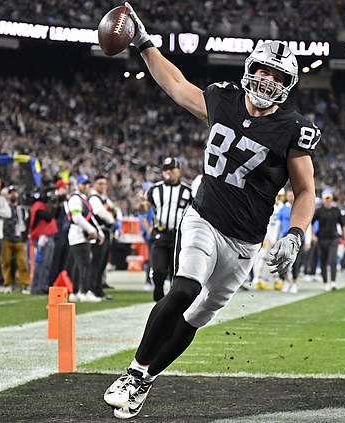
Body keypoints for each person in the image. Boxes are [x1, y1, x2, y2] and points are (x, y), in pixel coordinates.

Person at [103, 4, 319, 419]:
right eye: (263, 70)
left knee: (198, 315)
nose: (267, 80)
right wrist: (146, 44)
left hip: (244, 242)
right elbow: (176, 84)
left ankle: (145, 381)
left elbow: (305, 190)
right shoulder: (223, 100)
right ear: (250, 69)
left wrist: (294, 234)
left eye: (277, 76)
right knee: (184, 288)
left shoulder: (293, 129)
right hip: (204, 217)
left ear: (287, 84)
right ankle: (133, 371)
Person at [139, 157, 193, 301]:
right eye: (165, 170)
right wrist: (142, 208)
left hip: (178, 236)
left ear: (179, 171)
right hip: (160, 234)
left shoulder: (188, 191)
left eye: (171, 169)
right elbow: (144, 210)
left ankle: (171, 301)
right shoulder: (154, 189)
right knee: (158, 271)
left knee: (175, 272)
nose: (168, 172)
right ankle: (158, 295)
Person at [66, 174, 104, 303]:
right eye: (83, 184)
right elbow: (77, 217)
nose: (86, 186)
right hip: (78, 234)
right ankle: (83, 291)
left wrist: (98, 231)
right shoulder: (75, 199)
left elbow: (90, 217)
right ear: (77, 185)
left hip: (82, 234)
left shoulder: (83, 199)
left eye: (87, 184)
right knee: (84, 264)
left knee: (79, 265)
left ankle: (75, 292)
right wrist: (91, 230)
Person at [311, 189, 345, 291]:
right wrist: (313, 235)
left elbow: (343, 225)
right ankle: (326, 282)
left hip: (334, 238)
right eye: (325, 198)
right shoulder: (319, 211)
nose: (327, 200)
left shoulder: (336, 211)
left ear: (331, 198)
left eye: (329, 198)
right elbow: (311, 223)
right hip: (322, 238)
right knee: (323, 260)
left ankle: (333, 282)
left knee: (333, 260)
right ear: (323, 199)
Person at [88, 175, 116, 300]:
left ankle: (98, 290)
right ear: (94, 185)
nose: (103, 186)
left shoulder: (103, 198)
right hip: (99, 233)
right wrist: (112, 219)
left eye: (104, 183)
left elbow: (115, 209)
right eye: (100, 183)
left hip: (105, 232)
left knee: (102, 263)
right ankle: (93, 290)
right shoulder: (94, 198)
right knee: (97, 263)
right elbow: (99, 211)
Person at [1, 185, 31, 294]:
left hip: (19, 240)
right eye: (11, 193)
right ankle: (7, 284)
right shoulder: (4, 208)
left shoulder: (22, 210)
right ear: (7, 195)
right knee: (6, 263)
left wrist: (25, 236)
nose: (13, 195)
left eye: (14, 192)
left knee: (22, 263)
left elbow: (26, 223)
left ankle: (25, 284)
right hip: (6, 239)